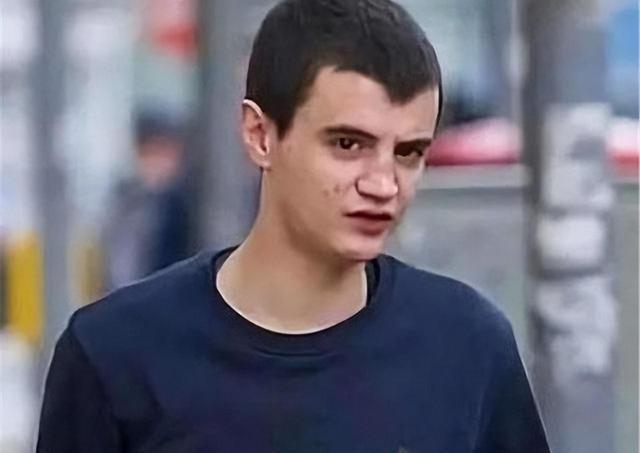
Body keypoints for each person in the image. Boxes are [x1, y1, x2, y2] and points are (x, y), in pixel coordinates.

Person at [36, 1, 550, 452]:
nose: (383, 184)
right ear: (260, 135)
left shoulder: (467, 347)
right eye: (347, 144)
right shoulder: (115, 354)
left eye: (409, 153)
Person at [102, 109, 190, 290]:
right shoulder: (125, 199)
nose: (156, 161)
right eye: (149, 152)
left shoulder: (184, 207)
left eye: (163, 151)